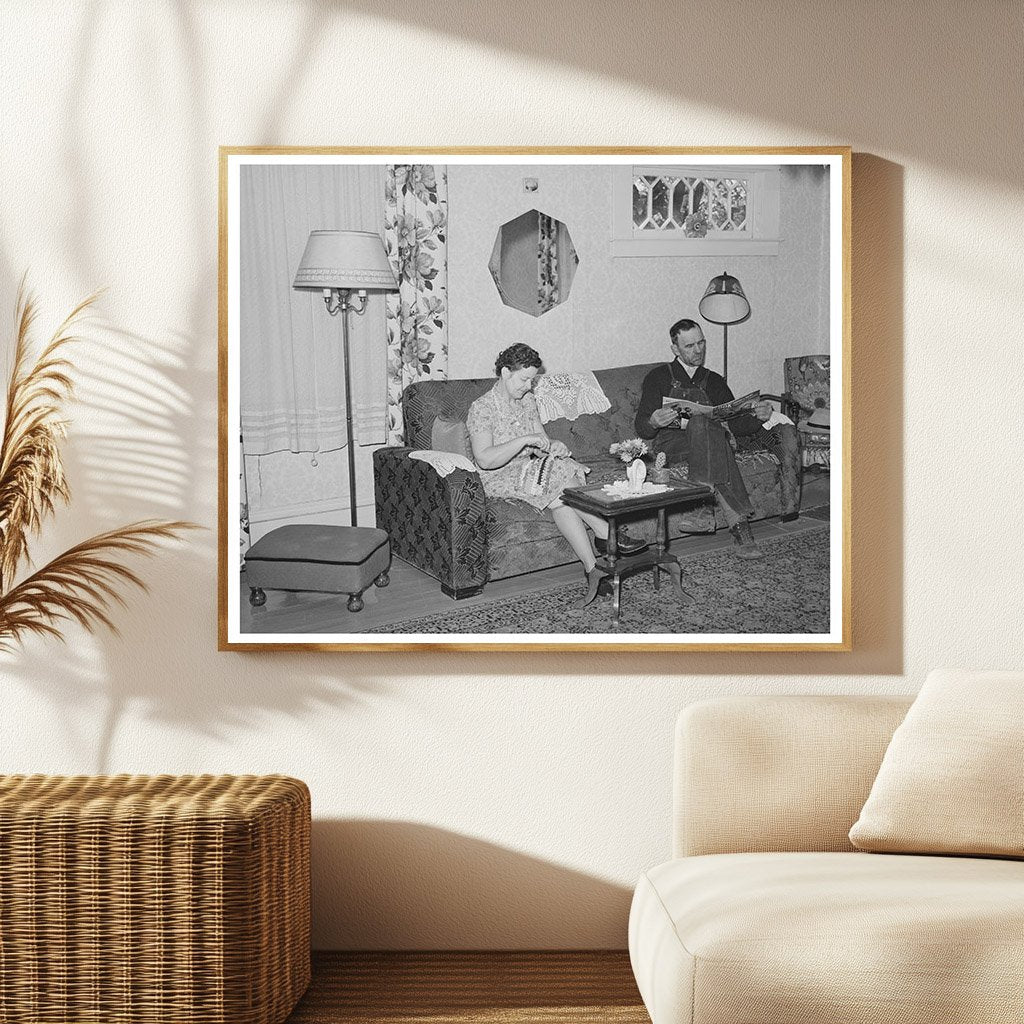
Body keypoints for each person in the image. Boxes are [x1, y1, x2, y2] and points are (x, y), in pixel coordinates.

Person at [468, 343, 647, 592]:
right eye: (524, 379)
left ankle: (592, 569)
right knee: (559, 475)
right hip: (497, 476)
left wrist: (554, 447)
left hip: (529, 469)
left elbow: (541, 445)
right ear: (505, 372)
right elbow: (485, 460)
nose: (528, 386)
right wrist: (523, 441)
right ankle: (605, 531)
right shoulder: (482, 408)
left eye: (532, 380)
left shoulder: (527, 400)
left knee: (560, 494)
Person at [635, 318, 801, 559]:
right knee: (712, 437)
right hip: (672, 446)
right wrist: (653, 421)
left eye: (701, 342)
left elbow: (737, 424)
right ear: (675, 349)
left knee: (709, 431)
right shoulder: (657, 377)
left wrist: (759, 415)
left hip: (710, 443)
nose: (698, 350)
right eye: (690, 346)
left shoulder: (713, 380)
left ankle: (704, 509)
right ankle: (740, 528)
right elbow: (642, 429)